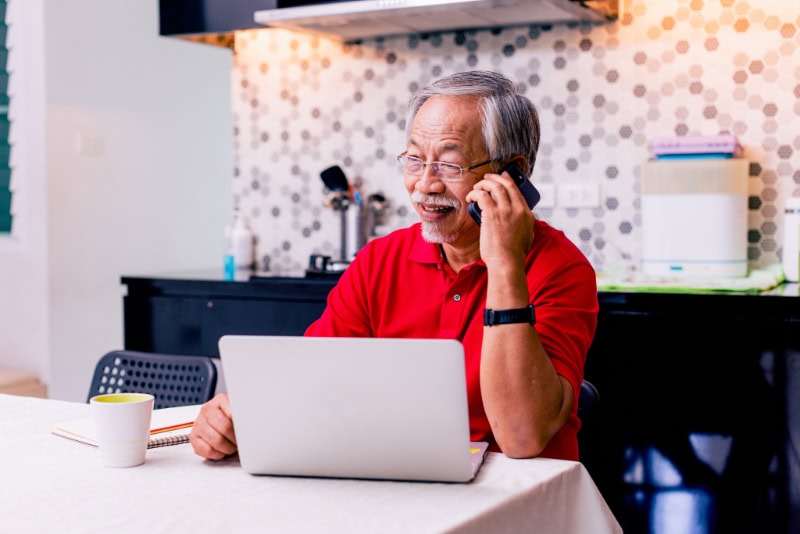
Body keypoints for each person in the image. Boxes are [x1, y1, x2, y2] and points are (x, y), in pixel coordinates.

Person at [189, 70, 598, 461]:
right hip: (398, 486)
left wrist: (506, 264)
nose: (425, 184)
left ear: (513, 174)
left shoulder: (561, 269)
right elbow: (311, 385)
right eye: (415, 160)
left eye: (450, 165)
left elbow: (522, 437)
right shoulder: (378, 261)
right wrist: (237, 417)